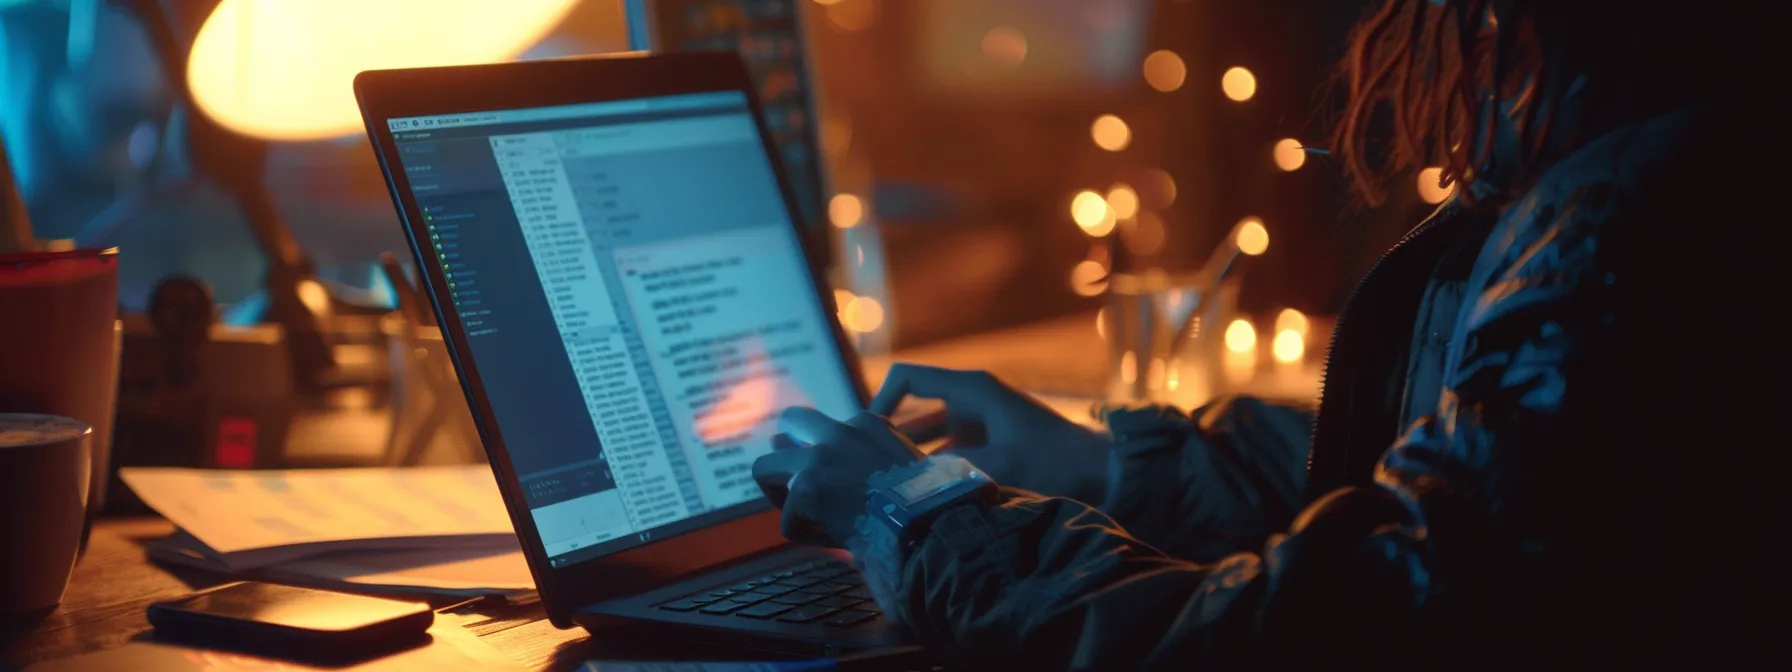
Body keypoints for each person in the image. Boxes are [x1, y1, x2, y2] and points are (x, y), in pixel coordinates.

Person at [759, 1, 1771, 668]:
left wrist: (920, 514)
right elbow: (1459, 480)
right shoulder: (1651, 140)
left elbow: (1321, 633)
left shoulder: (1631, 222)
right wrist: (1115, 465)